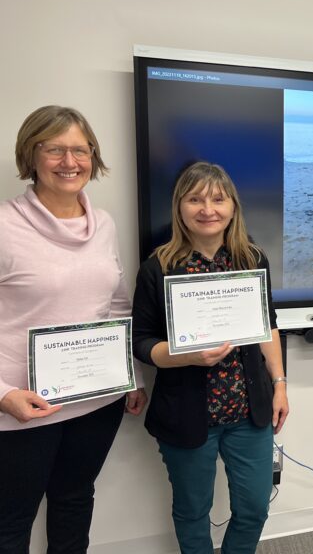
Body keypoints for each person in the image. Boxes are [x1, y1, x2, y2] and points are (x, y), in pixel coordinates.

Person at [0, 105, 147, 553]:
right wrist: (2, 392)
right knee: (10, 523)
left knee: (73, 502)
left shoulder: (103, 224)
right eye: (55, 149)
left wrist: (132, 377)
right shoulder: (4, 226)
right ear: (32, 155)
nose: (70, 162)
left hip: (96, 400)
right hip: (24, 406)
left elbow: (117, 303)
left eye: (80, 150)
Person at [132, 161, 288, 554]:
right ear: (179, 207)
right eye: (195, 199)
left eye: (218, 200)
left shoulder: (252, 260)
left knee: (254, 508)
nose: (208, 209)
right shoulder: (158, 268)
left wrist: (281, 385)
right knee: (192, 511)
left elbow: (267, 324)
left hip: (248, 412)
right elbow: (141, 342)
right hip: (186, 414)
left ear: (232, 206)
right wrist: (185, 356)